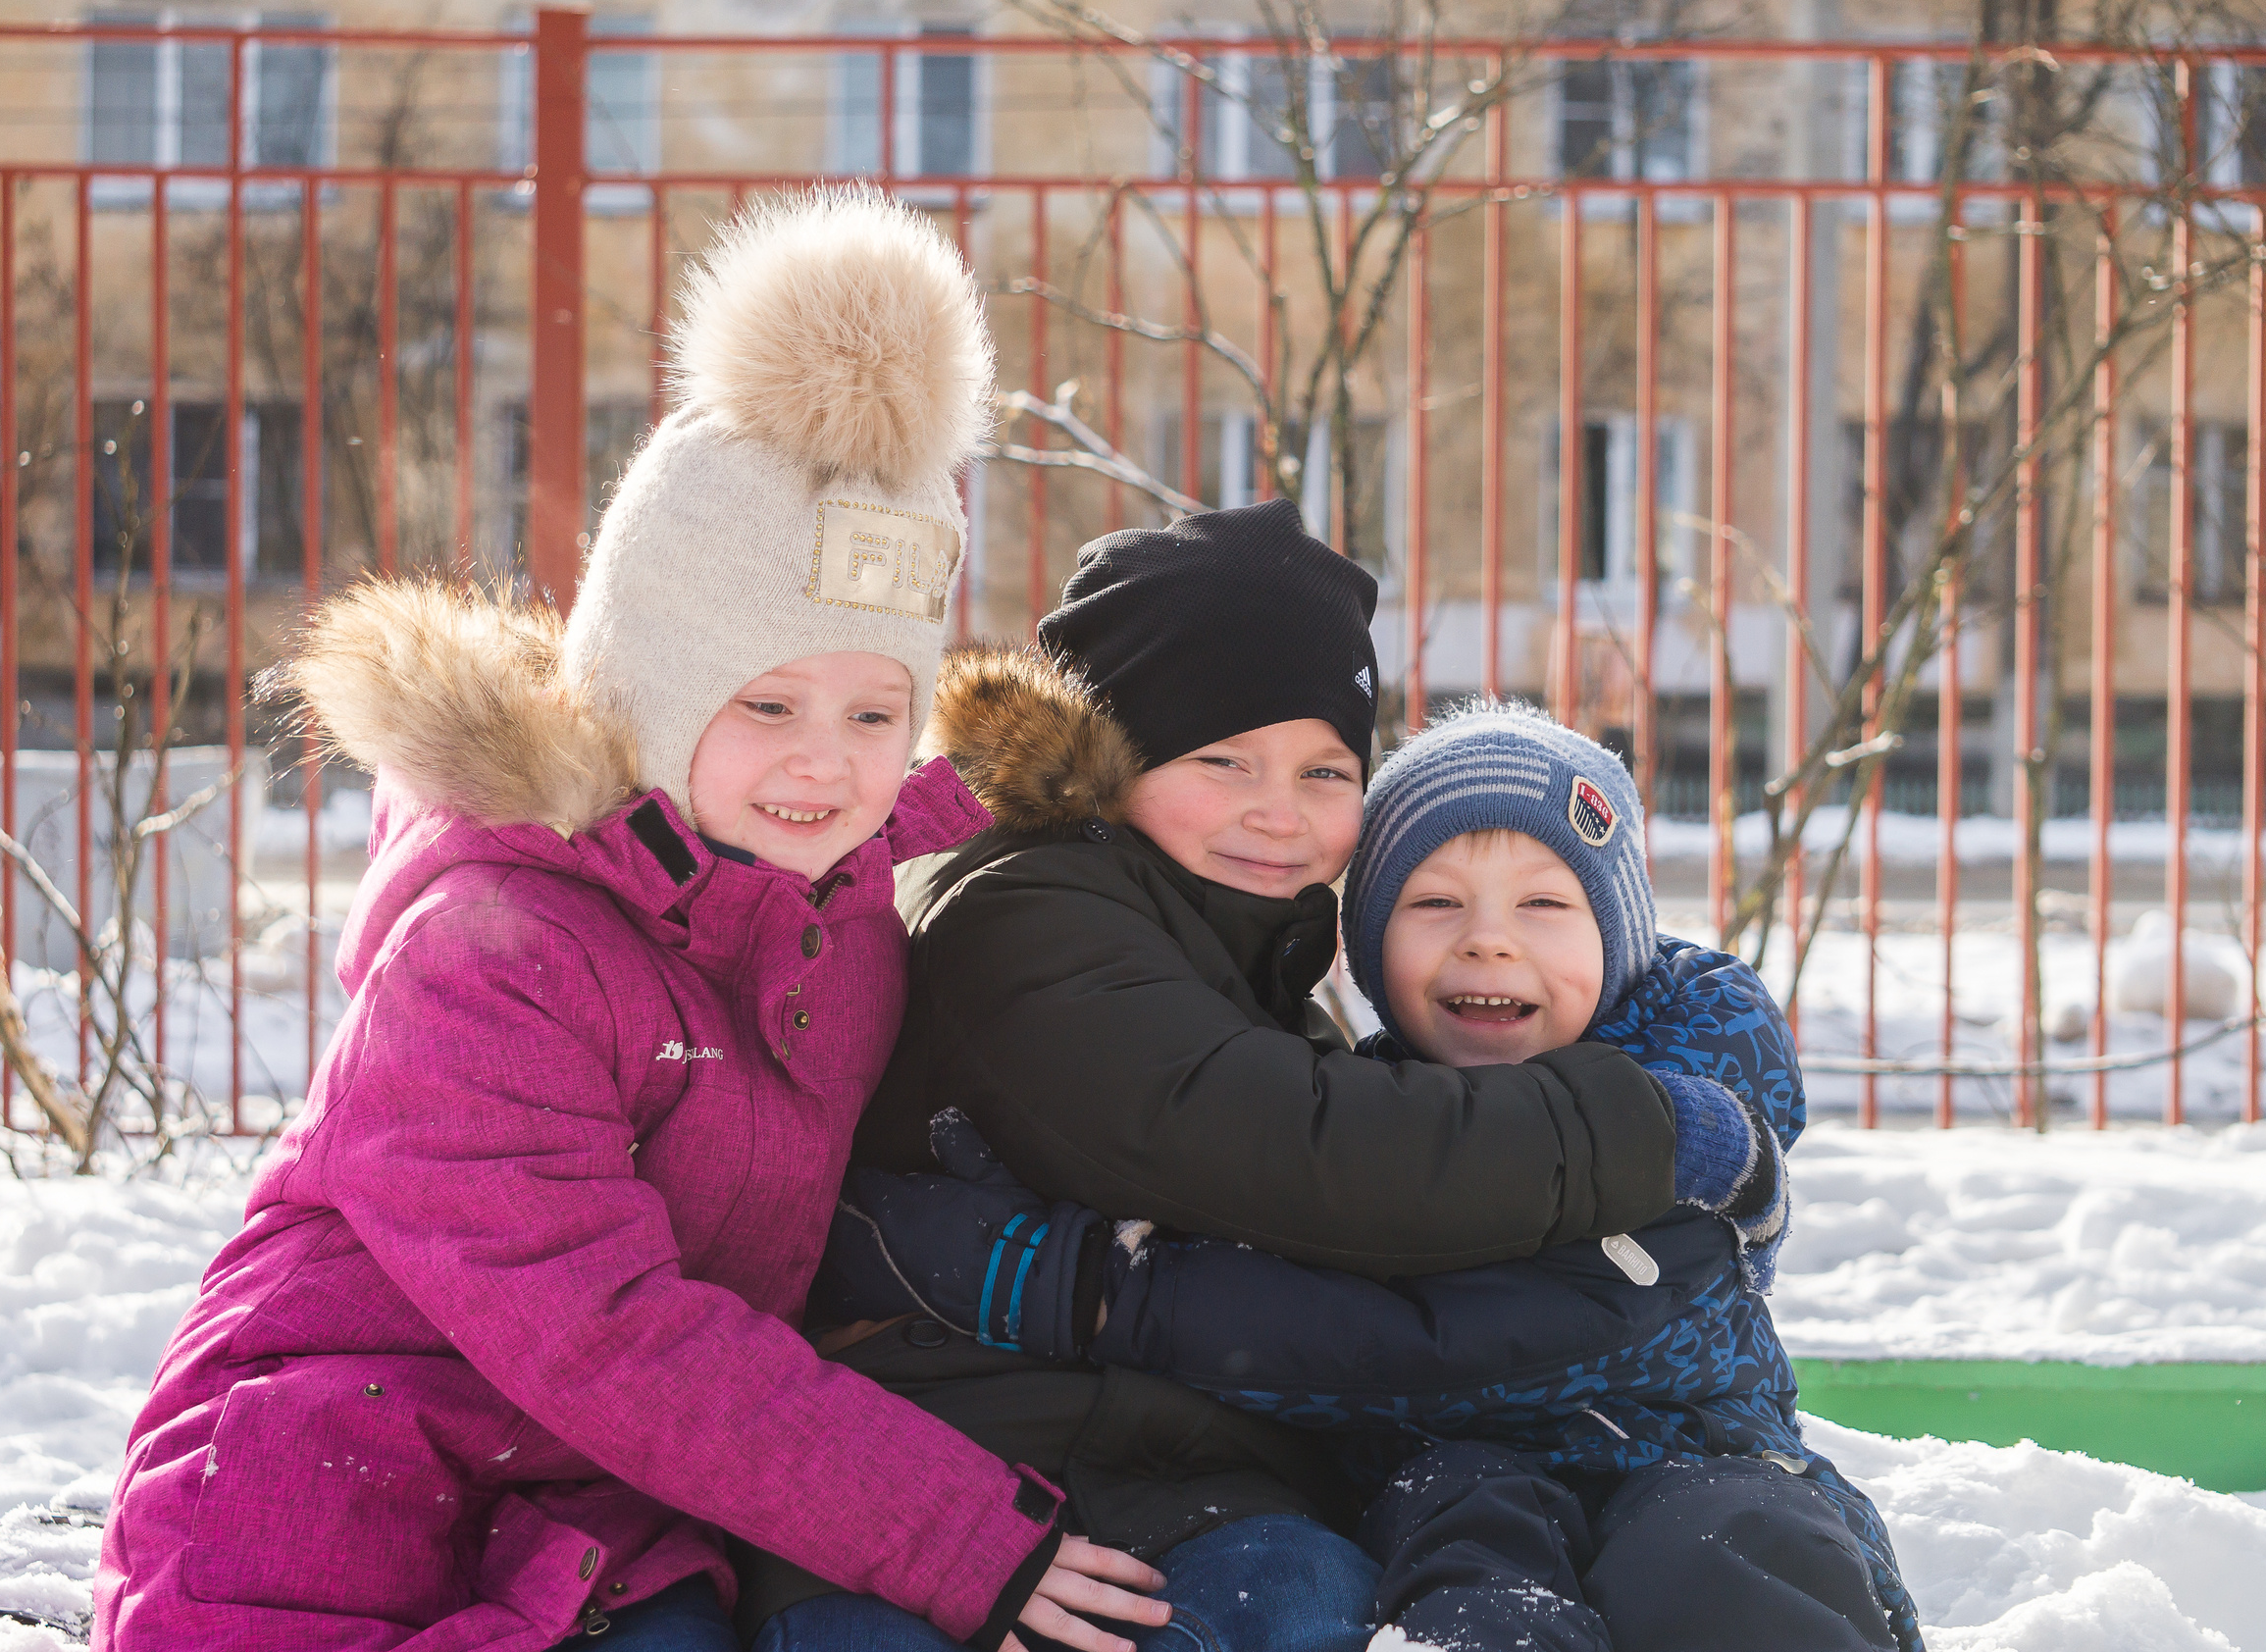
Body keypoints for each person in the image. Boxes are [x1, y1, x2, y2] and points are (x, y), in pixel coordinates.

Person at [90, 188, 1169, 1652]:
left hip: (604, 1500)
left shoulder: (834, 875)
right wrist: (957, 1533)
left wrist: (1155, 775)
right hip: (328, 1466)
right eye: (767, 705)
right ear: (649, 699)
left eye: (875, 714)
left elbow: (952, 813)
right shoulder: (490, 955)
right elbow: (603, 1329)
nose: (826, 763)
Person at [747, 501, 1777, 1652]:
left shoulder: (1238, 955)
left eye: (1325, 770)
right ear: (1106, 762)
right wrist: (1644, 1130)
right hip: (950, 1462)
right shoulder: (1021, 909)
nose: (1277, 811)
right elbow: (1300, 1153)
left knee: (1305, 1602)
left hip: (1197, 1477)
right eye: (1222, 758)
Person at [839, 700, 1922, 1652]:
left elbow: (1421, 1341)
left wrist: (1070, 1284)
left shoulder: (1691, 1085)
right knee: (1466, 1586)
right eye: (1434, 905)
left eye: (1545, 906)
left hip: (1695, 1453)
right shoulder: (1376, 1109)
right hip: (1454, 1472)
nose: (1487, 943)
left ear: (1621, 935)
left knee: (1724, 1560)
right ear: (1366, 948)